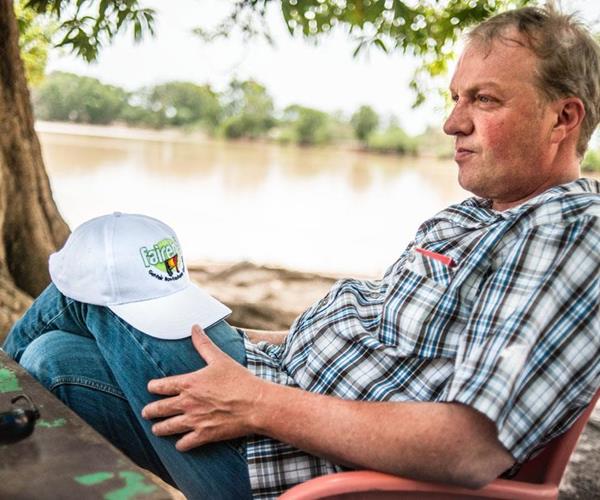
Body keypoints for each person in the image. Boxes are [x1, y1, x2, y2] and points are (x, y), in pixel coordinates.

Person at [3, 5, 600, 500]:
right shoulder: (472, 216)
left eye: (484, 101)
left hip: (284, 461)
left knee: (110, 270)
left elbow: (467, 448)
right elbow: (394, 351)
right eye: (456, 98)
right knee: (56, 357)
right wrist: (254, 353)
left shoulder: (569, 230)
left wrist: (258, 403)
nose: (452, 123)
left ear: (562, 118)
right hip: (274, 393)